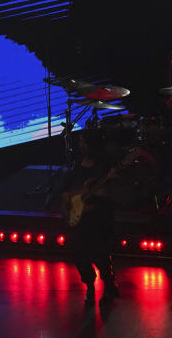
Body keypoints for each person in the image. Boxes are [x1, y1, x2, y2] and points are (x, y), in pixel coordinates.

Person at [62, 128, 121, 307]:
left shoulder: (103, 164)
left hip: (100, 215)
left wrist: (104, 187)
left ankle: (109, 287)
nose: (79, 145)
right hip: (83, 216)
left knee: (101, 255)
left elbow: (110, 192)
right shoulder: (78, 163)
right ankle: (90, 286)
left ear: (90, 144)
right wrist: (71, 199)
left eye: (82, 142)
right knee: (79, 254)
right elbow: (67, 189)